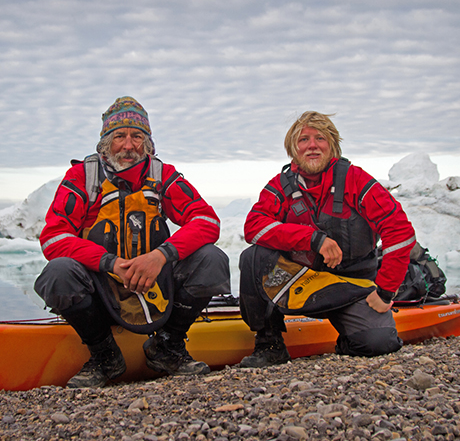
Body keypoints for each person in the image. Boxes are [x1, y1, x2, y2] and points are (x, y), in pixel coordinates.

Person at [35, 96, 230, 387]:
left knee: (212, 259)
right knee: (58, 274)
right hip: (101, 285)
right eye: (119, 137)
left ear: (148, 143)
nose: (128, 145)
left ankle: (168, 345)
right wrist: (109, 263)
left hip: (156, 284)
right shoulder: (82, 177)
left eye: (137, 136)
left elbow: (206, 221)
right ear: (104, 143)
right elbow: (53, 238)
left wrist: (160, 256)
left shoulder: (162, 175)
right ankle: (104, 354)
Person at [238, 111, 416, 367]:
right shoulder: (280, 186)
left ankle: (348, 341)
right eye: (303, 140)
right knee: (253, 256)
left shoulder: (356, 180)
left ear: (332, 146)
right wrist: (312, 239)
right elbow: (254, 227)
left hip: (351, 287)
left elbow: (399, 231)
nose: (312, 145)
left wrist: (386, 292)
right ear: (293, 149)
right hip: (302, 283)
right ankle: (269, 343)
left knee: (379, 343)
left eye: (320, 138)